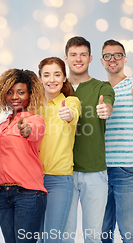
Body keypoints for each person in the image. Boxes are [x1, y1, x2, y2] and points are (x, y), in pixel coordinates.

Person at [62, 36, 115, 243]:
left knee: (93, 237)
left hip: (95, 173)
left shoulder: (102, 87)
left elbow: (108, 103)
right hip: (63, 173)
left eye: (83, 54)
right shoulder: (56, 87)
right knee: (65, 236)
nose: (78, 59)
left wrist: (106, 109)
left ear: (90, 58)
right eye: (73, 55)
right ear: (66, 58)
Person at [0, 69, 47, 243]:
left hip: (27, 194)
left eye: (21, 92)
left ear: (30, 95)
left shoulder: (35, 120)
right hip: (3, 195)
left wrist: (26, 130)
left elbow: (34, 132)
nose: (15, 97)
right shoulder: (2, 125)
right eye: (10, 92)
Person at [100, 40, 133, 243]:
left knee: (128, 230)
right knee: (102, 231)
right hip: (99, 169)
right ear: (102, 61)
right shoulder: (98, 90)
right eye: (108, 56)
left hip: (126, 168)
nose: (113, 59)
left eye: (117, 55)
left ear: (125, 59)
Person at [37, 57, 81, 242]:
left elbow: (73, 114)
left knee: (52, 238)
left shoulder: (71, 102)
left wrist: (68, 115)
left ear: (64, 78)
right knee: (35, 238)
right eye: (46, 75)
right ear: (40, 79)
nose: (51, 79)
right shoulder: (33, 106)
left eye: (57, 74)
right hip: (33, 179)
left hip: (59, 180)